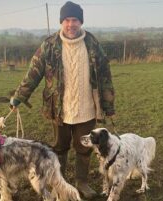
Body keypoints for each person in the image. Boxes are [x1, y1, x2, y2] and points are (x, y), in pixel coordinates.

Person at [10, 1, 115, 199]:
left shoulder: (92, 43)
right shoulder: (49, 45)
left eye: (75, 20)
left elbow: (105, 75)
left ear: (80, 21)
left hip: (87, 108)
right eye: (67, 20)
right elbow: (33, 73)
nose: (71, 24)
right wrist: (19, 96)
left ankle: (82, 182)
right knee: (59, 148)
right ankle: (60, 183)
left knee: (85, 148)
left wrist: (108, 105)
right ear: (61, 22)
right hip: (59, 109)